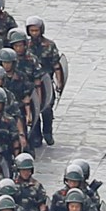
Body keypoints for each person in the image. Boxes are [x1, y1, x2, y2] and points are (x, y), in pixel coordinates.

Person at [25, 16, 64, 147]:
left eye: (36, 30)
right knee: (35, 109)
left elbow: (57, 66)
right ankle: (36, 135)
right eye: (32, 30)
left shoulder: (49, 45)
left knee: (47, 109)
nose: (34, 33)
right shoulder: (26, 46)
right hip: (32, 84)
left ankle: (47, 131)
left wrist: (59, 83)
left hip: (45, 83)